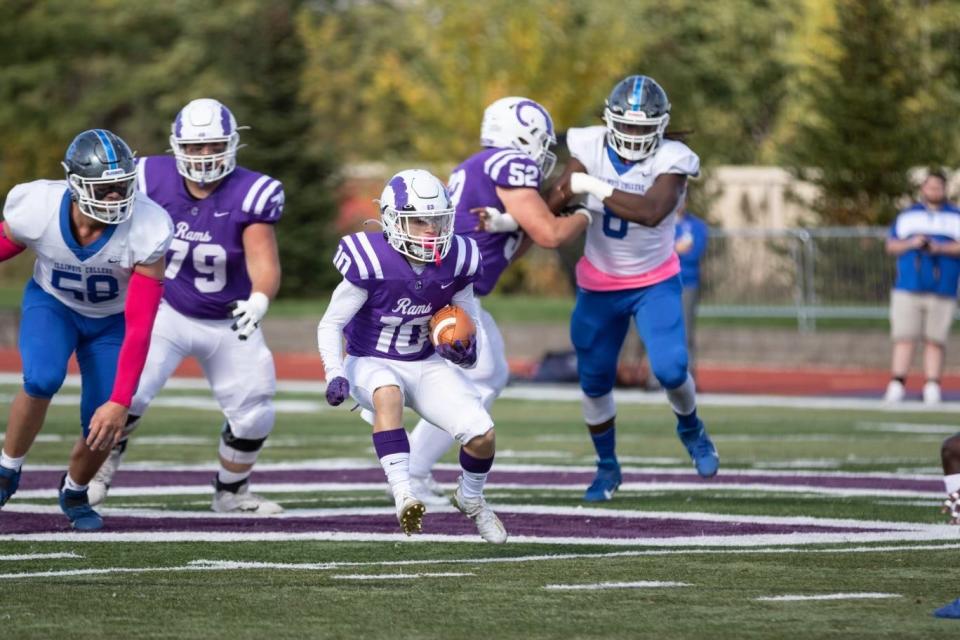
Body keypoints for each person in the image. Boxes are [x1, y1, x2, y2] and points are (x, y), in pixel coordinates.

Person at [88, 99, 285, 514]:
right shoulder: (149, 177)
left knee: (255, 412)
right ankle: (97, 473)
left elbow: (263, 261)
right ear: (177, 147)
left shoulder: (253, 192)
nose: (203, 156)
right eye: (194, 148)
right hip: (166, 310)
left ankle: (230, 493)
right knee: (128, 394)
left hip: (229, 319)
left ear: (231, 145)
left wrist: (259, 300)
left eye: (212, 145)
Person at [399, 96, 590, 505]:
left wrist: (520, 222)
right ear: (524, 136)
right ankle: (410, 475)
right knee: (477, 377)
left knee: (490, 373)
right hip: (448, 290)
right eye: (540, 141)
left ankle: (415, 470)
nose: (543, 153)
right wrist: (585, 214)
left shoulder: (478, 166)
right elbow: (549, 236)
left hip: (450, 286)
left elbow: (515, 244)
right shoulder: (510, 163)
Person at [546, 74, 719, 502]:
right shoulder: (588, 145)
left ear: (660, 127)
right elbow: (557, 200)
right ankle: (607, 468)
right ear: (611, 121)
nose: (636, 135)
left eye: (645, 127)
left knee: (672, 368)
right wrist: (518, 219)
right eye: (629, 125)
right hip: (599, 283)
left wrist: (592, 187)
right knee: (594, 380)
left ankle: (692, 428)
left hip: (653, 282)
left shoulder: (674, 159)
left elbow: (651, 212)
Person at [317, 169, 507, 543]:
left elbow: (470, 320)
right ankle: (404, 492)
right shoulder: (370, 259)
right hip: (371, 359)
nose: (431, 230)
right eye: (419, 221)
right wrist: (334, 372)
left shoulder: (459, 258)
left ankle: (470, 498)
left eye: (437, 220)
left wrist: (467, 353)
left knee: (482, 435)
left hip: (425, 364)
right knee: (388, 393)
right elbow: (330, 323)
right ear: (392, 220)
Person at [0, 129, 172, 530]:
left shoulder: (148, 225)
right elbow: (6, 242)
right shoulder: (38, 206)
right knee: (42, 377)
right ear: (75, 184)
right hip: (52, 305)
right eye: (104, 187)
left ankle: (75, 490)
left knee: (107, 416)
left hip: (112, 323)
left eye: (121, 185)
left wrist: (120, 400)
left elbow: (142, 324)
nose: (115, 196)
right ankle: (7, 470)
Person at [883, 170, 960, 405]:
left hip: (942, 288)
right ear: (923, 189)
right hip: (908, 286)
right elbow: (891, 245)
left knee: (935, 339)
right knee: (904, 336)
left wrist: (938, 248)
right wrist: (912, 243)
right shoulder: (908, 216)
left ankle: (932, 386)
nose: (934, 191)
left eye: (938, 187)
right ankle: (897, 383)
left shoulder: (955, 216)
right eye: (930, 187)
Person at [674, 202, 709, 377]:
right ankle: (655, 378)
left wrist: (671, 251)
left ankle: (688, 376)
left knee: (686, 332)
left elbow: (694, 254)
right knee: (659, 332)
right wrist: (675, 249)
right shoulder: (659, 223)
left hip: (687, 283)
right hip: (662, 284)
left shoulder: (696, 225)